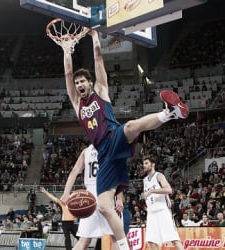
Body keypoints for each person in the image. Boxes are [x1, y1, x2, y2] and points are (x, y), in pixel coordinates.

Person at [63, 29, 188, 250]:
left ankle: (169, 113)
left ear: (90, 83)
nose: (80, 84)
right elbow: (67, 75)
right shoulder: (77, 103)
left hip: (114, 136)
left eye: (83, 81)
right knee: (103, 206)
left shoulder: (101, 91)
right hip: (104, 155)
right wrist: (66, 50)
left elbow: (99, 59)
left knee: (131, 126)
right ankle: (124, 247)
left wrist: (94, 37)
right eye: (77, 82)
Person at [60, 144, 120, 250]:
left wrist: (66, 193)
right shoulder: (111, 146)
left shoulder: (86, 151)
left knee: (84, 240)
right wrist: (119, 198)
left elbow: (74, 171)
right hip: (107, 193)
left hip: (90, 197)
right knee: (115, 238)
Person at [142, 155, 183, 250]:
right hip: (151, 213)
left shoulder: (159, 176)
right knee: (151, 241)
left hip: (162, 211)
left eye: (146, 163)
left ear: (153, 164)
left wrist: (152, 191)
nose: (144, 165)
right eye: (143, 163)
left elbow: (169, 190)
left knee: (174, 239)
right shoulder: (144, 180)